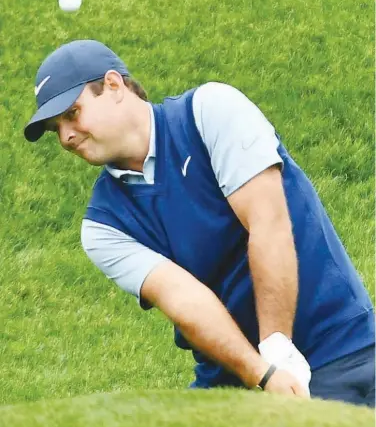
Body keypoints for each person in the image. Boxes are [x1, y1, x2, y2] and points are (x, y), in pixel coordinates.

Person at [24, 39, 375, 406]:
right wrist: (265, 373)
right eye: (55, 128)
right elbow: (184, 299)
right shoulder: (103, 227)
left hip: (342, 349)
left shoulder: (211, 112)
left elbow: (267, 223)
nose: (65, 136)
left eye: (73, 113)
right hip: (236, 385)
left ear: (113, 86)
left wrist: (278, 348)